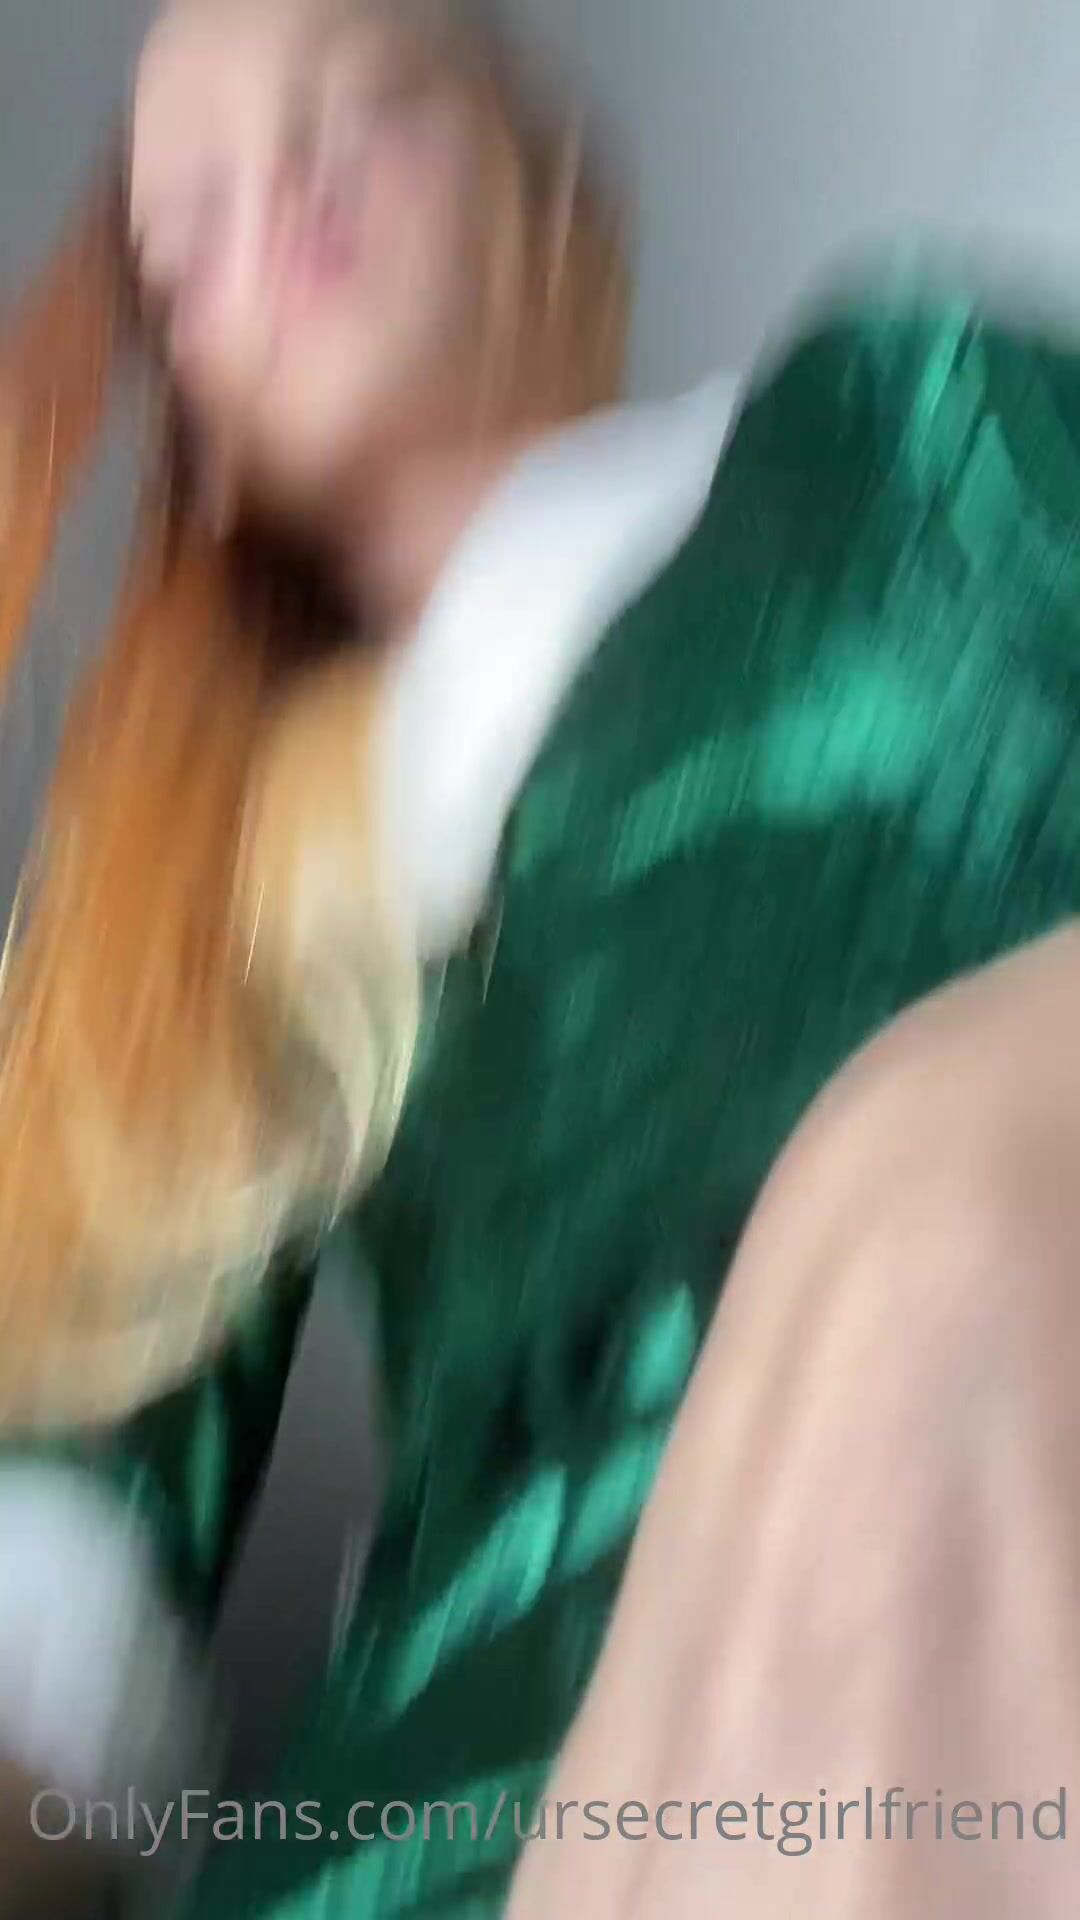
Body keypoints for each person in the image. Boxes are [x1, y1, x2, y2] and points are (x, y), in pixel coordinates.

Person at [2, 2, 1080, 1917]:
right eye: (190, 218)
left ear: (545, 194)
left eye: (358, 103)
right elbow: (66, 1507)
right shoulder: (211, 909)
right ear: (200, 430)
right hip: (472, 1788)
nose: (283, 187)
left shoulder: (913, 418)